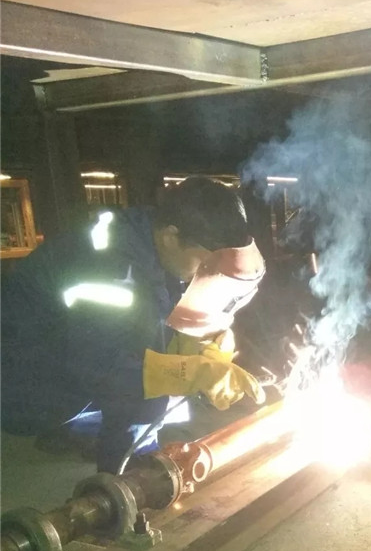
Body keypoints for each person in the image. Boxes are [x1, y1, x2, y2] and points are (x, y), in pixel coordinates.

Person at [1, 177, 266, 473]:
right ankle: (127, 478)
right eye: (205, 263)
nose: (206, 272)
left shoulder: (150, 241)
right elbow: (102, 367)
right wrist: (190, 372)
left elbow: (152, 316)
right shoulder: (108, 269)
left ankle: (91, 437)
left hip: (69, 355)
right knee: (149, 394)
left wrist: (199, 341)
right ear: (171, 237)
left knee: (161, 383)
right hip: (20, 385)